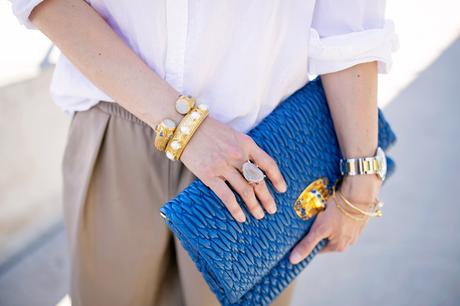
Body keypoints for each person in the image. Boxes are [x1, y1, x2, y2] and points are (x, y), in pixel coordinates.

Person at [10, 0, 398, 305]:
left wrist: (361, 179)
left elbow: (349, 27)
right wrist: (186, 128)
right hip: (120, 127)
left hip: (261, 155)